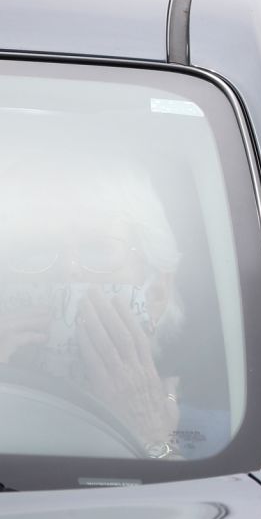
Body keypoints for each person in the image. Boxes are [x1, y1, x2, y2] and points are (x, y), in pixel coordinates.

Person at [0, 152, 187, 459]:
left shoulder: (230, 442)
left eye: (97, 249)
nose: (67, 271)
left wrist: (150, 437)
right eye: (37, 250)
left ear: (156, 294)